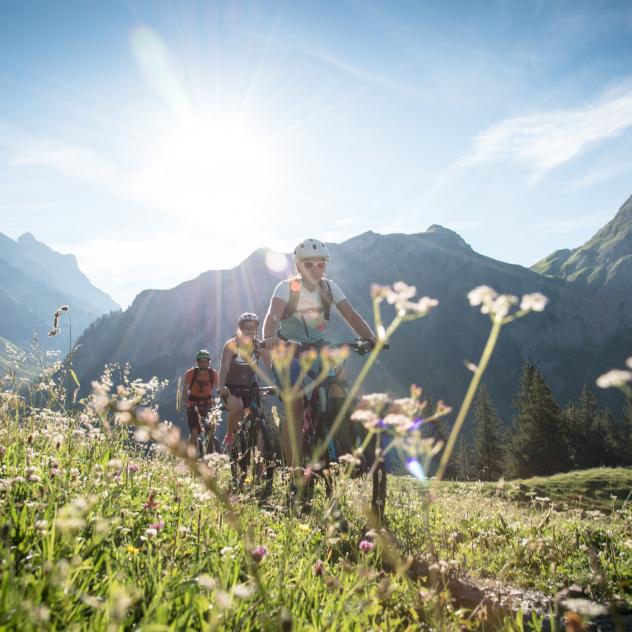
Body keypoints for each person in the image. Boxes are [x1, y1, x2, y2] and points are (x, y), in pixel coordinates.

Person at [262, 238, 376, 473]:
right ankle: (293, 471)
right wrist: (270, 337)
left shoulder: (330, 287)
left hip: (317, 347)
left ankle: (346, 450)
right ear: (298, 266)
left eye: (321, 264)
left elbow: (352, 316)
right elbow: (273, 316)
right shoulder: (286, 287)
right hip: (287, 349)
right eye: (309, 264)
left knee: (339, 388)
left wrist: (372, 338)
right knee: (294, 406)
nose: (316, 269)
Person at [217, 312, 271, 450]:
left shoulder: (260, 346)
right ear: (240, 329)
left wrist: (278, 383)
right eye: (246, 327)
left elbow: (270, 365)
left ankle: (259, 461)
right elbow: (223, 368)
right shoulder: (231, 346)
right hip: (231, 388)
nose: (250, 331)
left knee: (257, 418)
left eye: (253, 328)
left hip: (251, 387)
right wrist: (221, 386)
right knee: (238, 407)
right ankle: (229, 436)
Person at [181, 349, 219, 450]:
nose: (204, 364)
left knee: (210, 429)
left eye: (206, 361)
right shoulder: (190, 373)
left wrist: (224, 399)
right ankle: (192, 458)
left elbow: (220, 388)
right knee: (194, 431)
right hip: (192, 403)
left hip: (208, 403)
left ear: (209, 362)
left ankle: (209, 450)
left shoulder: (213, 374)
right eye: (201, 362)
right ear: (197, 363)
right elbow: (185, 390)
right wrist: (184, 402)